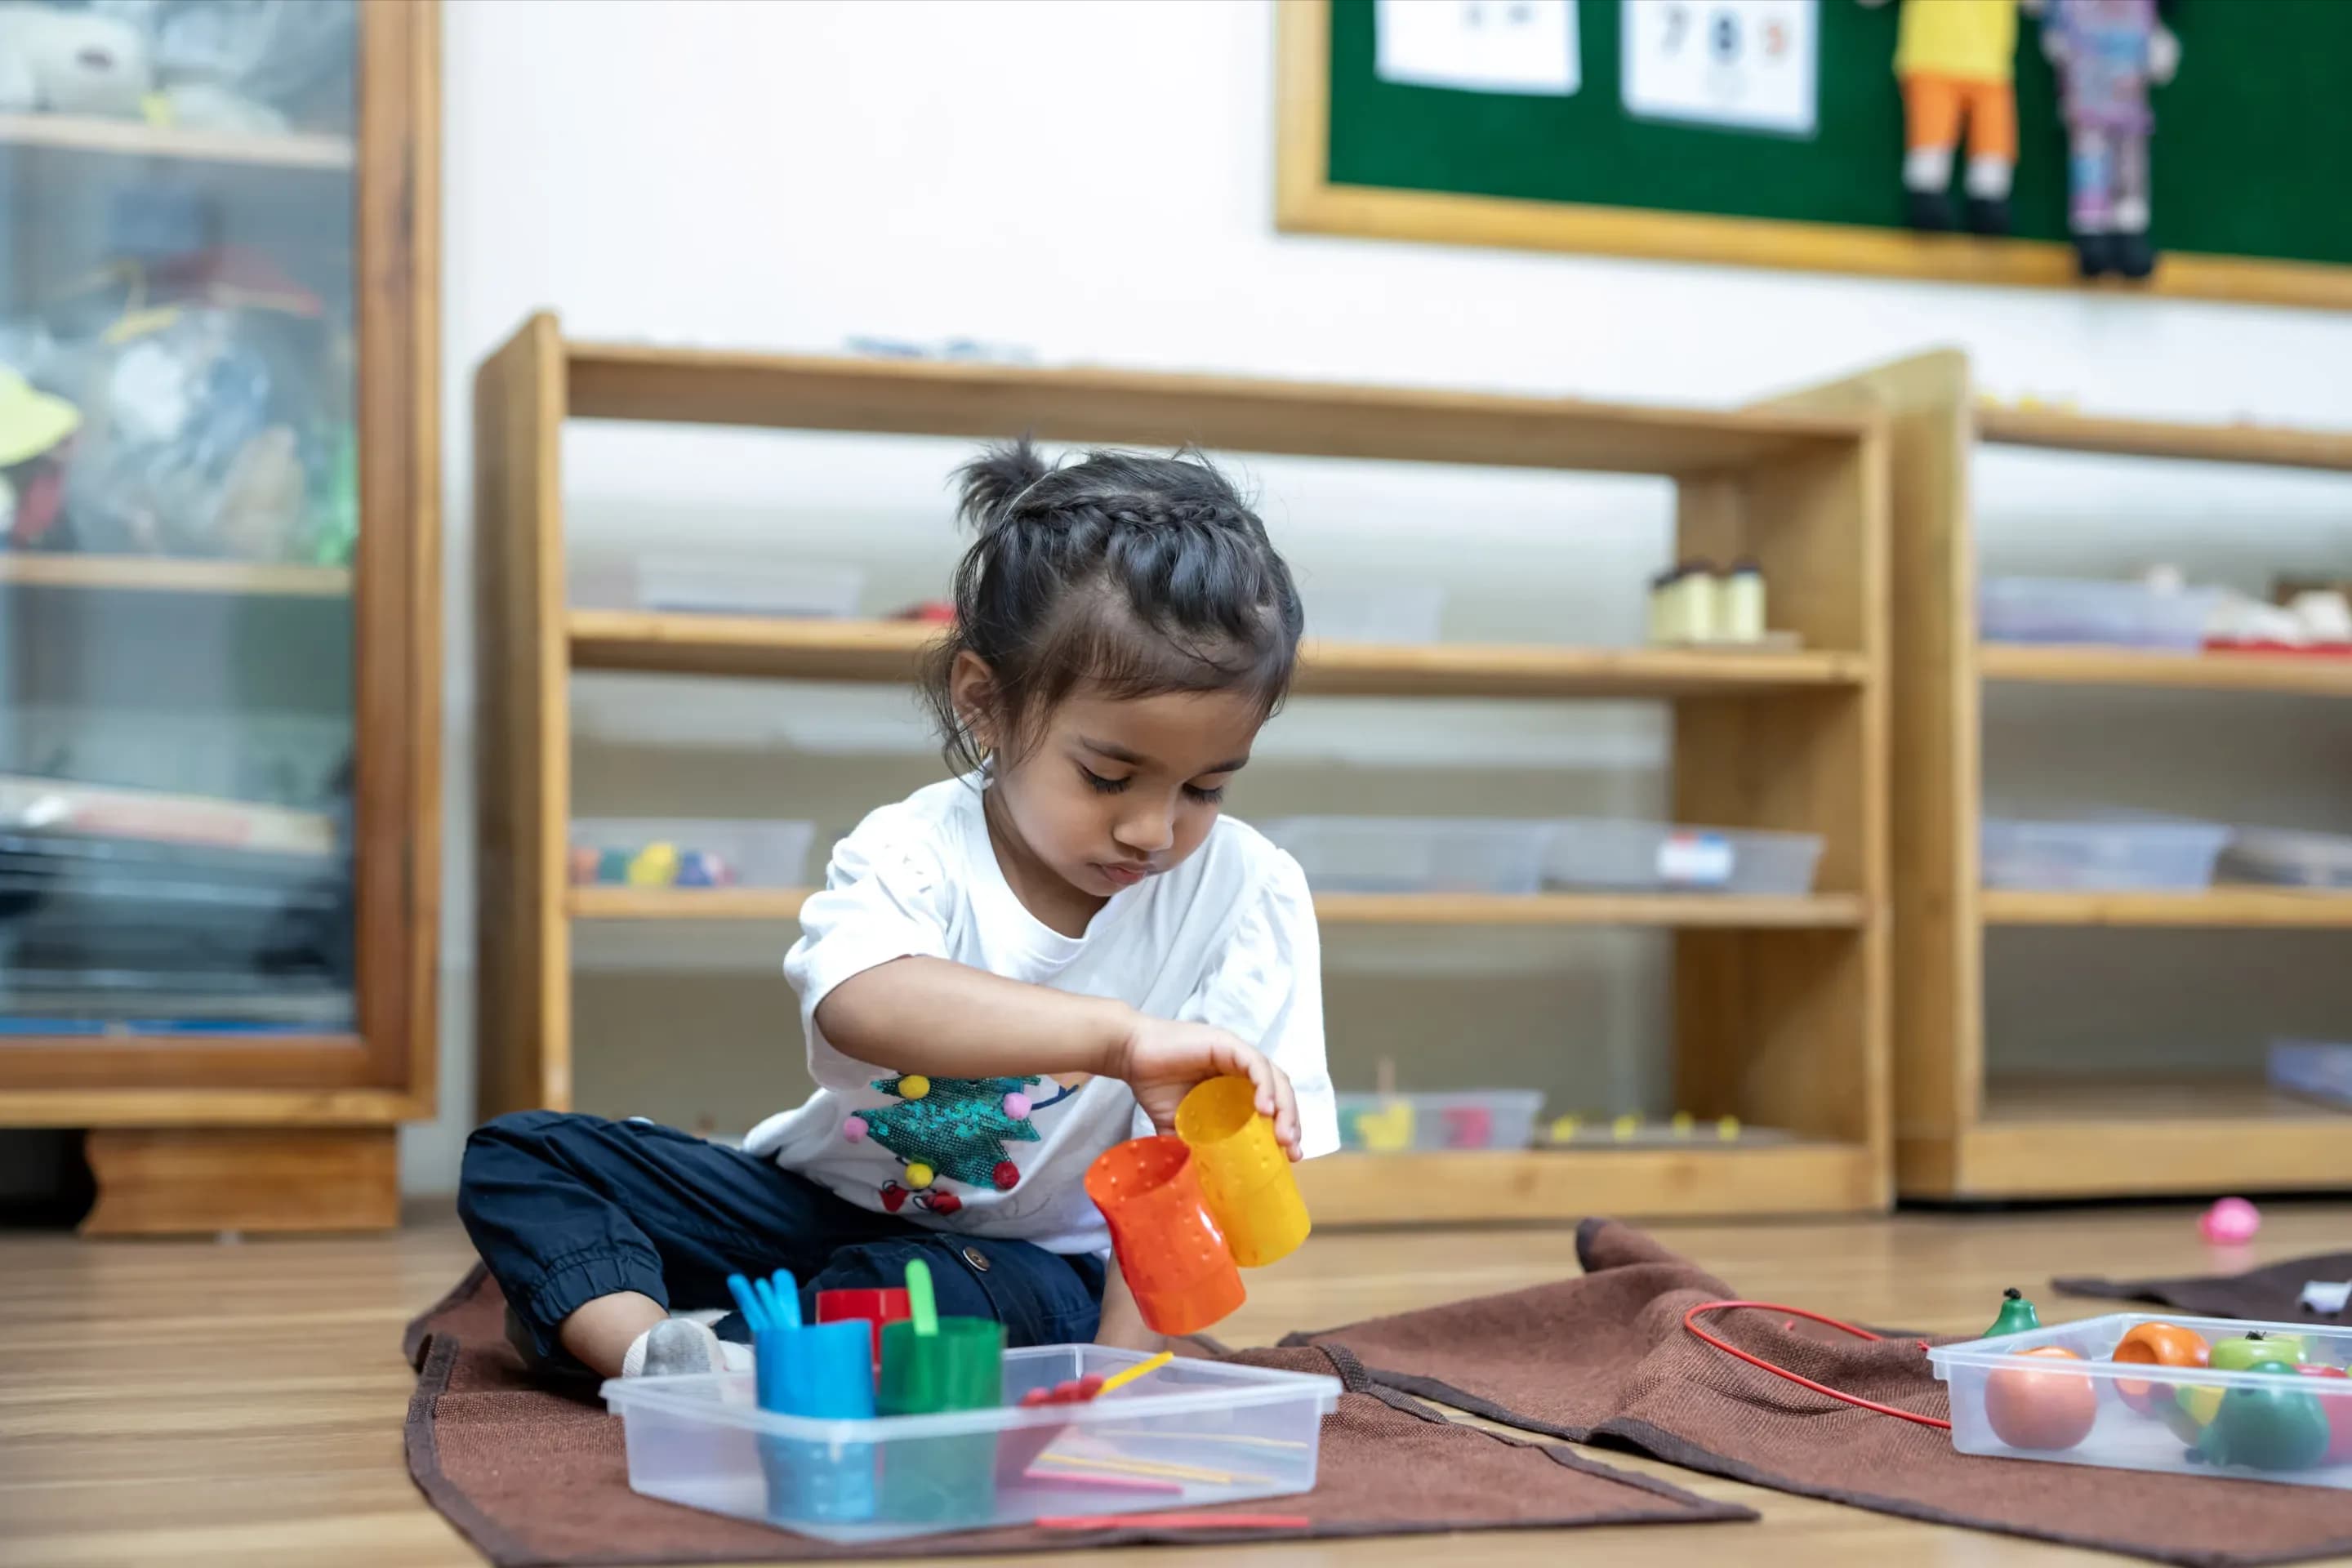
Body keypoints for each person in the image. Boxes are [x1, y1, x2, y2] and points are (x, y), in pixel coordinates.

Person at [458, 439, 1339, 1379]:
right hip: (811, 1208)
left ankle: (673, 1341)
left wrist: (1116, 1388)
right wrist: (1120, 1041)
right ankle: (651, 1354)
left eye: (1206, 788)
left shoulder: (1247, 895)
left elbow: (1179, 1197)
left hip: (1023, 1266)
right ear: (984, 706)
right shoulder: (914, 846)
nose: (1153, 829)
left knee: (930, 1292)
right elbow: (862, 1001)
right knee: (524, 1155)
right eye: (1107, 776)